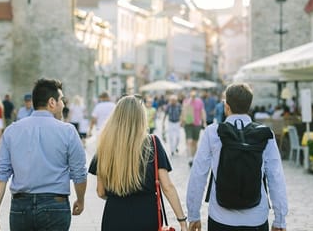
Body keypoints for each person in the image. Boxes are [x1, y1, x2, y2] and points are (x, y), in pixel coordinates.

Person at [0, 78, 87, 231]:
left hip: (20, 208)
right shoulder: (68, 132)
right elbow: (79, 173)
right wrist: (80, 200)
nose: (63, 105)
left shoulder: (12, 131)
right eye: (61, 100)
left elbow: (0, 176)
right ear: (52, 102)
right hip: (55, 206)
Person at [186, 83, 288, 231]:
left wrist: (194, 214)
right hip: (256, 219)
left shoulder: (213, 133)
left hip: (220, 218)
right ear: (249, 106)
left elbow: (198, 175)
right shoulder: (266, 134)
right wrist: (280, 219)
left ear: (226, 106)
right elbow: (276, 177)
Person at [89, 96, 188, 231]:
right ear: (141, 117)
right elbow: (167, 186)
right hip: (146, 216)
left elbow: (100, 192)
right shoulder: (152, 143)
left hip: (114, 216)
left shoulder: (105, 146)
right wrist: (182, 220)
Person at [180, 89, 206, 166]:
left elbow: (202, 111)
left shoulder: (200, 101)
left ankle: (194, 156)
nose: (193, 96)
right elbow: (183, 110)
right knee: (189, 141)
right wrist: (181, 121)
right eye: (192, 94)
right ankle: (190, 157)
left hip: (197, 124)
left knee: (195, 142)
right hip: (188, 123)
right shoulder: (186, 101)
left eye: (194, 94)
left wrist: (204, 122)